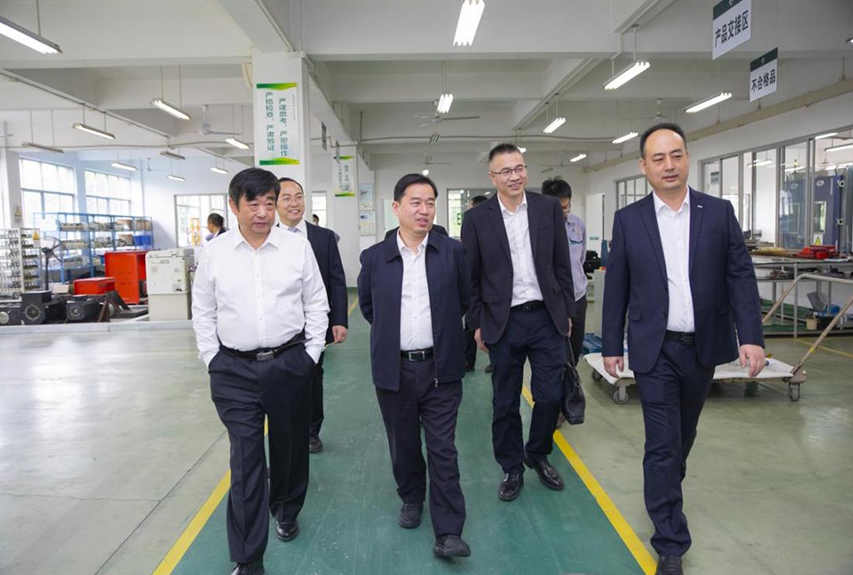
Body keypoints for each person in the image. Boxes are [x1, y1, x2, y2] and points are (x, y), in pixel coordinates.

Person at [601, 123, 765, 575]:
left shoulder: (718, 212)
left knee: (682, 436)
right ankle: (670, 540)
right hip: (654, 349)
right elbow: (617, 286)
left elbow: (739, 275)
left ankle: (665, 489)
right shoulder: (630, 219)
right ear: (644, 166)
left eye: (676, 155)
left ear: (688, 158)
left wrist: (751, 336)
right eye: (658, 158)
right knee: (662, 443)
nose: (668, 165)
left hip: (702, 347)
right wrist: (611, 344)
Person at [192, 168, 329, 575]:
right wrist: (212, 359)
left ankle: (286, 509)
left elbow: (316, 303)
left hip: (289, 364)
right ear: (233, 206)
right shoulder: (214, 253)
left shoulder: (296, 247)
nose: (263, 212)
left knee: (289, 449)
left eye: (270, 203)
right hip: (233, 370)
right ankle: (248, 558)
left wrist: (310, 355)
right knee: (246, 461)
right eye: (253, 204)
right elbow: (203, 311)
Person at [358, 173, 471, 558]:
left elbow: (464, 299)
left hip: (442, 368)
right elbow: (370, 308)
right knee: (403, 442)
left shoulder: (452, 253)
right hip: (395, 370)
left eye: (430, 203)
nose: (424, 210)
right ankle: (411, 496)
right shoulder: (375, 258)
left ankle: (449, 530)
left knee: (443, 448)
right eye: (415, 202)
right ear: (396, 208)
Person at [461, 143, 575, 501]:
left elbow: (562, 263)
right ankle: (511, 466)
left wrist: (566, 312)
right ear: (492, 177)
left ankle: (537, 453)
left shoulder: (546, 208)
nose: (515, 176)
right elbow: (471, 277)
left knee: (550, 395)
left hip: (546, 316)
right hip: (503, 320)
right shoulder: (477, 219)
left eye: (520, 168)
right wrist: (477, 322)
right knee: (505, 400)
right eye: (506, 171)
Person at [277, 177, 348, 454]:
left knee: (313, 376)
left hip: (315, 323)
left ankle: (311, 432)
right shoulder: (268, 236)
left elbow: (337, 280)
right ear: (275, 203)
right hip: (280, 324)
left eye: (299, 196)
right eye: (286, 198)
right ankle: (285, 432)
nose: (294, 203)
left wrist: (339, 320)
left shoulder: (323, 237)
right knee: (279, 382)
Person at [541, 177, 587, 366]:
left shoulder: (578, 225)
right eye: (558, 208)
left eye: (566, 207)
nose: (563, 212)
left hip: (577, 296)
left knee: (575, 347)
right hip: (553, 300)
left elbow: (581, 259)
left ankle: (570, 377)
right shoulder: (539, 228)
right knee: (553, 349)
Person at [463, 195, 489, 373]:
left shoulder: (473, 222)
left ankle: (468, 361)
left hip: (485, 288)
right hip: (479, 287)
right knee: (472, 324)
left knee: (472, 325)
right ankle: (469, 360)